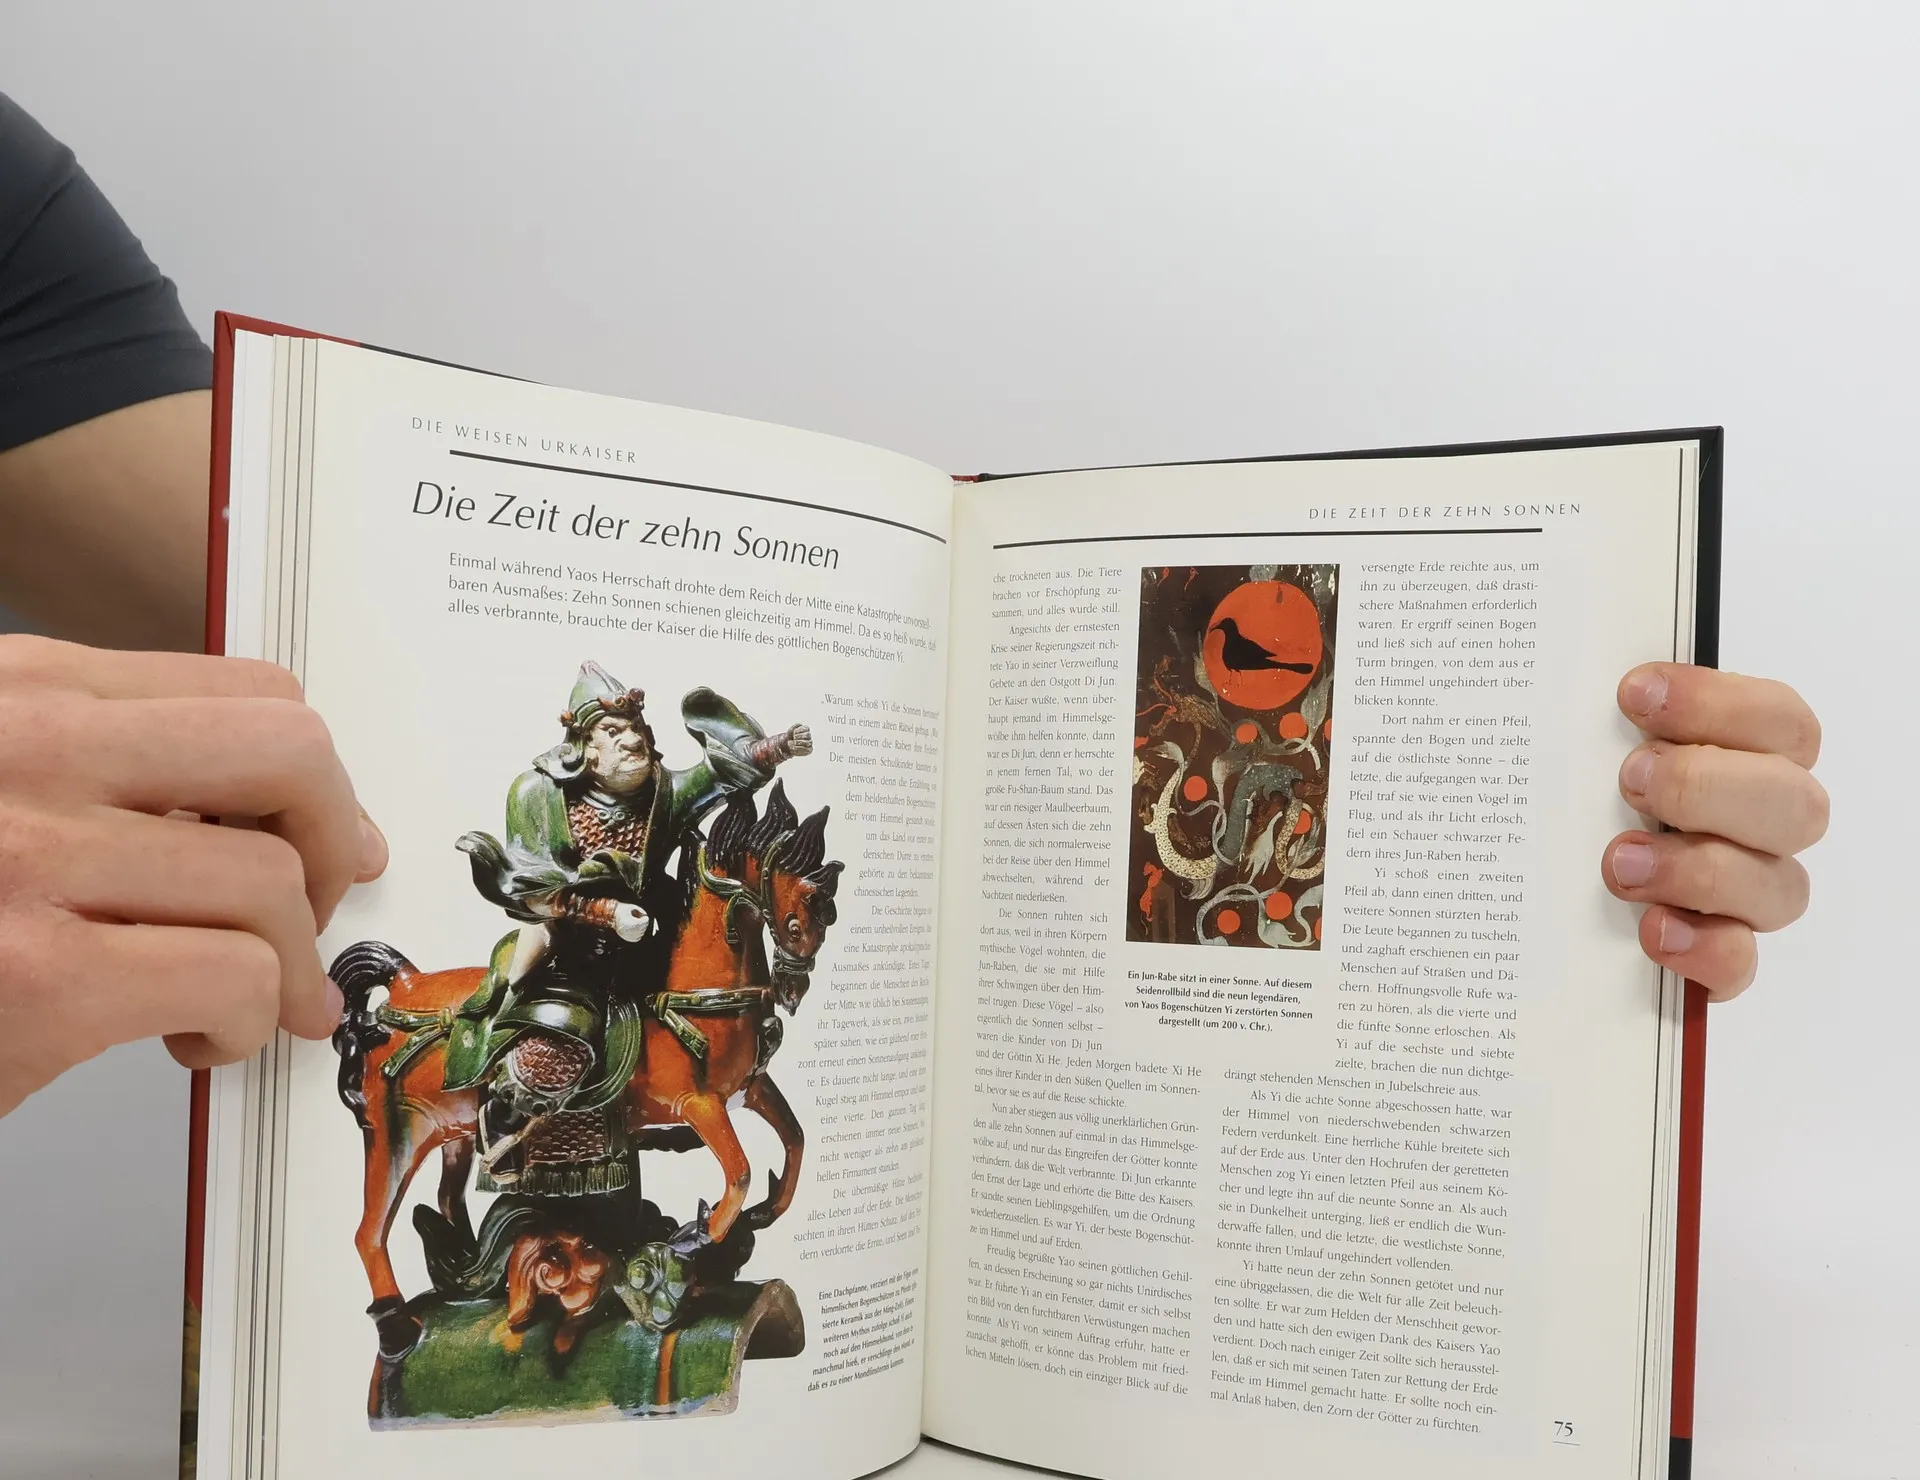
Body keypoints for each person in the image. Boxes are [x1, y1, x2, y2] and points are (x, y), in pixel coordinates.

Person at [0, 93, 1826, 1125]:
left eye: (623, 730)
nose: (617, 740)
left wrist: (1503, 789)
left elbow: (352, 602)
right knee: (547, 1000)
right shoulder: (567, 804)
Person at [447, 663, 812, 1192]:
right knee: (558, 1046)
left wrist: (776, 747)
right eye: (613, 731)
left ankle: (662, 1113)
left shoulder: (663, 792)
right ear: (584, 745)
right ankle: (504, 1119)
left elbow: (721, 773)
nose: (632, 739)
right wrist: (607, 915)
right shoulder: (537, 794)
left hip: (654, 946)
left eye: (636, 727)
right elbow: (533, 892)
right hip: (569, 951)